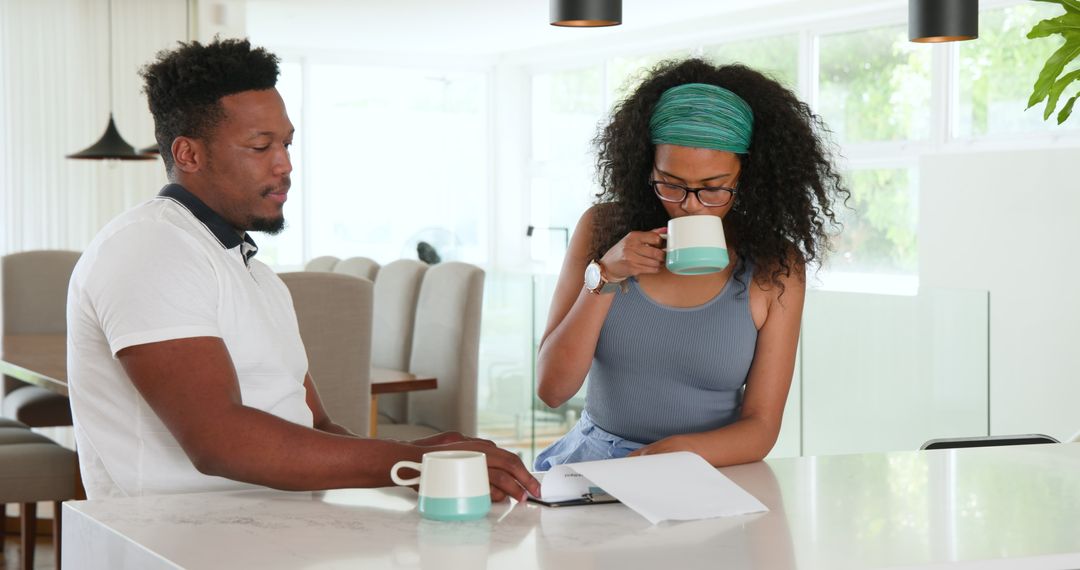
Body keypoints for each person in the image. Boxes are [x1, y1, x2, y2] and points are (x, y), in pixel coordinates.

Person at [66, 38, 539, 501]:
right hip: (179, 541)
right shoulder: (149, 248)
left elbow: (317, 427)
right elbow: (219, 442)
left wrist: (428, 455)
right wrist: (413, 464)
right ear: (189, 154)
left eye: (287, 144)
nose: (285, 165)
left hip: (281, 527)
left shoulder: (253, 272)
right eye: (260, 146)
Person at [534, 58, 847, 470]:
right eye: (671, 184)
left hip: (707, 468)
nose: (689, 207)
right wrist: (607, 275)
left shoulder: (775, 268)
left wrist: (680, 455)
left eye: (713, 189)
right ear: (647, 166)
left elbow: (761, 426)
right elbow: (553, 390)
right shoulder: (602, 229)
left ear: (745, 177)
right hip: (595, 460)